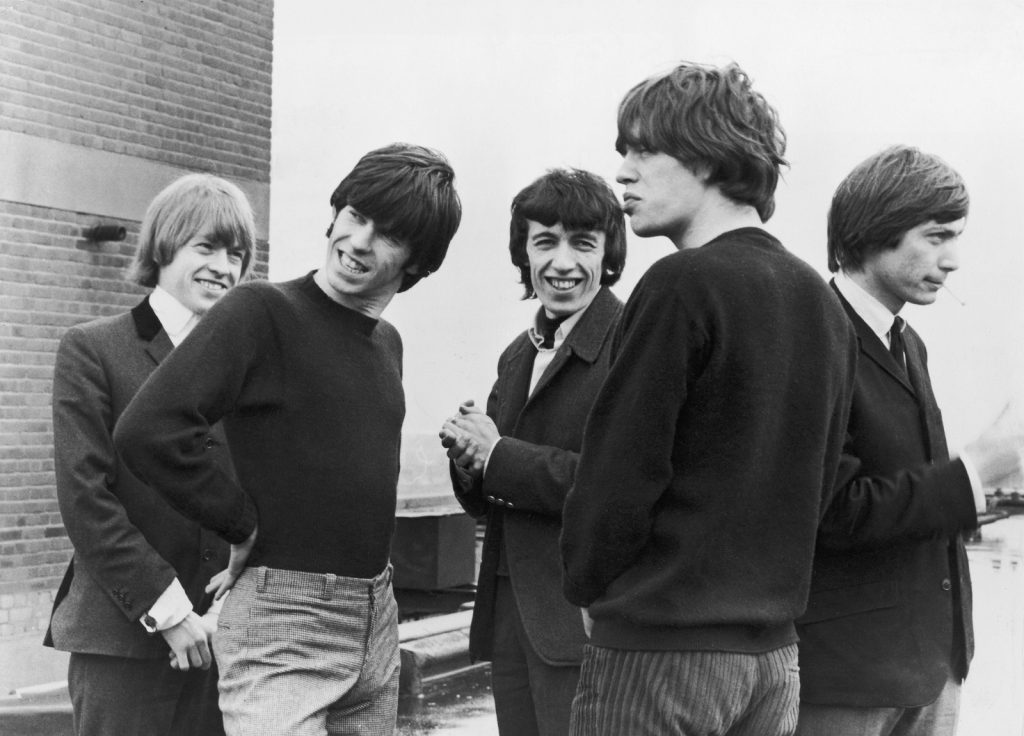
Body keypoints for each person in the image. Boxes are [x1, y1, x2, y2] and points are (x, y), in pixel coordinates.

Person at [113, 143, 462, 736]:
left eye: (388, 234)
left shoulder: (388, 344)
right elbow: (150, 432)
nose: (357, 241)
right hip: (281, 622)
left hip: (377, 620)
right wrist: (241, 524)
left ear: (420, 262)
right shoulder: (260, 312)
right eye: (355, 215)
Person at [559, 61, 858, 736]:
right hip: (774, 663)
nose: (623, 173)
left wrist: (588, 585)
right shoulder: (821, 301)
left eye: (642, 150)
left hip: (662, 653)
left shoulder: (678, 285)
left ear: (707, 157)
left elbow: (620, 472)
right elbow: (820, 487)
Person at [795, 145, 1024, 736]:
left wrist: (998, 487)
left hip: (928, 667)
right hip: (848, 678)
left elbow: (906, 491)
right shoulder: (813, 333)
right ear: (877, 230)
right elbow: (832, 511)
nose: (953, 261)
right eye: (937, 236)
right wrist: (977, 467)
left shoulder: (906, 342)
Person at [45, 173, 256, 736]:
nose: (224, 266)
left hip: (223, 643)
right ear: (163, 247)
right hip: (124, 641)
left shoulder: (246, 368)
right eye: (206, 247)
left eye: (236, 254)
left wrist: (218, 614)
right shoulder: (94, 349)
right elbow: (85, 497)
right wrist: (168, 612)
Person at [440, 168, 626, 736]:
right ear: (524, 253)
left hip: (584, 628)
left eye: (582, 244)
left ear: (608, 256)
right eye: (544, 242)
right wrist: (468, 457)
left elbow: (615, 487)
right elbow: (491, 500)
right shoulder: (516, 355)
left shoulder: (632, 346)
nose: (561, 262)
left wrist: (496, 455)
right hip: (512, 623)